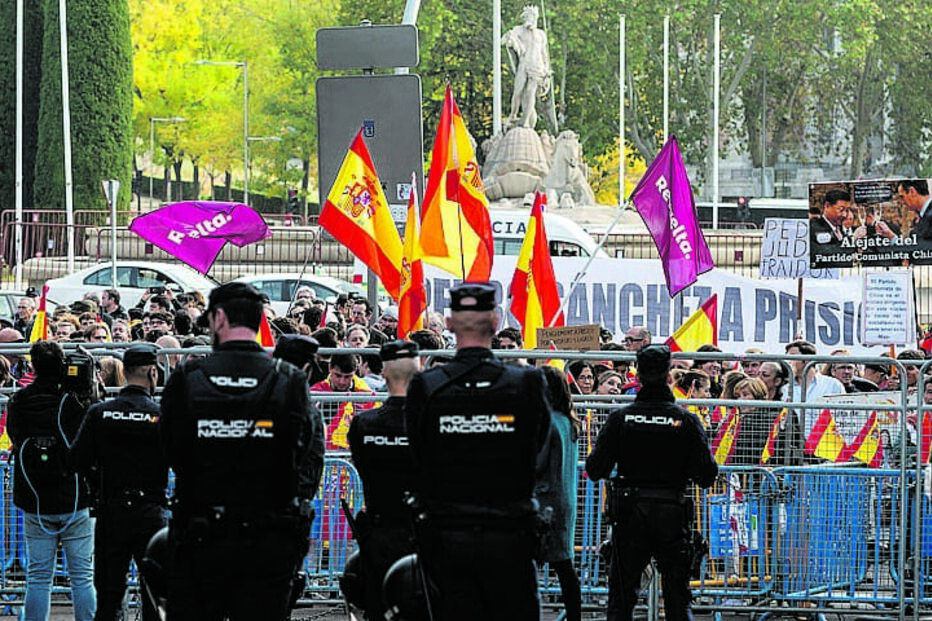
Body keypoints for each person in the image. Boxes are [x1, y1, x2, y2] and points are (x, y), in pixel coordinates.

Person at [158, 282, 325, 620]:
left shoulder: (187, 377)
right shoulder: (289, 380)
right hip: (268, 538)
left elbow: (170, 449)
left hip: (202, 536)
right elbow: (305, 453)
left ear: (219, 318)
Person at [405, 282, 552, 619]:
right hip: (509, 532)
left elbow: (418, 452)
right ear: (496, 323)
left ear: (450, 324)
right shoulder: (526, 383)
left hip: (449, 535)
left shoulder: (427, 386)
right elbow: (539, 447)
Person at [586, 344, 718, 621]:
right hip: (672, 511)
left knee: (621, 597)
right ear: (669, 375)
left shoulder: (620, 418)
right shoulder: (686, 420)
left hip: (629, 512)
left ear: (638, 376)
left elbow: (595, 469)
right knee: (678, 596)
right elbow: (706, 475)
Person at [70, 344, 168, 621]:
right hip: (150, 510)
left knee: (108, 595)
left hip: (111, 510)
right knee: (154, 595)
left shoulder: (100, 413)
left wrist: (97, 479)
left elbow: (76, 460)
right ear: (153, 372)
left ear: (124, 372)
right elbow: (182, 460)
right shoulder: (161, 415)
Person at [7, 340, 97, 621]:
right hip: (75, 497)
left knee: (38, 577)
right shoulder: (75, 401)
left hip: (35, 499)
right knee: (82, 576)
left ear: (33, 367)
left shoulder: (18, 401)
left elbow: (15, 438)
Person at [346, 340, 421, 620]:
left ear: (385, 374)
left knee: (379, 609)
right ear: (418, 373)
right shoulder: (431, 424)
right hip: (423, 536)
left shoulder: (364, 425)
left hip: (380, 534)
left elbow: (362, 466)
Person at [536, 365, 582, 621]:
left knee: (529, 562)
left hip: (544, 502)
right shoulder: (568, 421)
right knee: (564, 565)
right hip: (565, 500)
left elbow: (536, 464)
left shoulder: (546, 423)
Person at [502, 5, 557, 132]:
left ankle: (526, 120)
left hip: (537, 66)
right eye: (526, 17)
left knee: (530, 93)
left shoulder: (541, 34)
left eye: (531, 17)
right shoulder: (519, 30)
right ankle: (513, 115)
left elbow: (544, 54)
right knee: (518, 91)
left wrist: (547, 69)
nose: (529, 19)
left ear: (535, 18)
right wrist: (511, 39)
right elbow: (506, 39)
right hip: (524, 64)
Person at [809, 188, 855, 264]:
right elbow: (824, 253)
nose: (845, 215)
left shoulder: (842, 230)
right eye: (841, 210)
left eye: (847, 210)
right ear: (827, 206)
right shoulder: (814, 228)